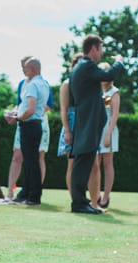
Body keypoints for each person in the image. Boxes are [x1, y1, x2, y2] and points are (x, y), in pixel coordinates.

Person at [69, 34, 124, 214]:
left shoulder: (79, 67)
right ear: (93, 48)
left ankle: (80, 202)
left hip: (85, 121)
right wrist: (119, 62)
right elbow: (108, 75)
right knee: (83, 164)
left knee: (82, 163)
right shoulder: (87, 65)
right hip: (89, 123)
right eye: (101, 49)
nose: (101, 53)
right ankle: (79, 203)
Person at [6, 56, 53, 200]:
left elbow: (30, 109)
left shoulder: (32, 85)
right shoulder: (44, 84)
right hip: (37, 124)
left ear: (32, 69)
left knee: (31, 161)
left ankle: (33, 195)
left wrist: (18, 117)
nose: (24, 72)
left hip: (29, 123)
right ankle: (27, 192)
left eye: (26, 69)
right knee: (31, 160)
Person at [57, 53, 84, 194]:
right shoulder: (67, 84)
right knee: (72, 164)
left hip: (85, 125)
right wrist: (67, 131)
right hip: (72, 125)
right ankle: (74, 196)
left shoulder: (87, 85)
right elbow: (64, 110)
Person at [95, 62, 121, 209]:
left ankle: (106, 197)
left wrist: (108, 135)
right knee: (95, 163)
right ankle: (95, 194)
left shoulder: (114, 92)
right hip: (97, 129)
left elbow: (115, 115)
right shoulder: (97, 90)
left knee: (107, 163)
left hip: (108, 129)